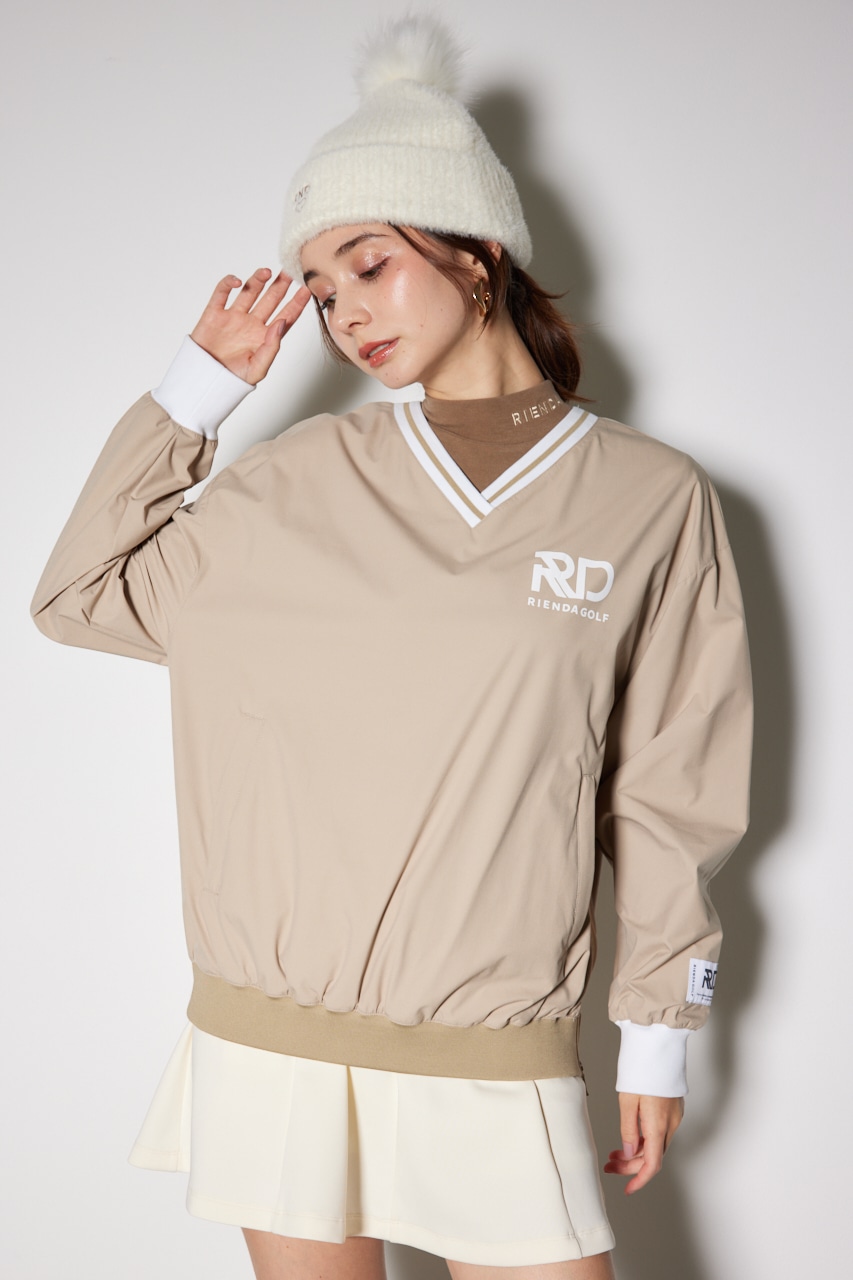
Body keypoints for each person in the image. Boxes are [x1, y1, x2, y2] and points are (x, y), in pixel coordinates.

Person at [30, 16, 752, 1280]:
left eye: (367, 263)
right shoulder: (289, 485)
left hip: (493, 1045)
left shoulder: (647, 498)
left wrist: (658, 1031)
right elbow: (79, 593)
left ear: (476, 252)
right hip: (273, 1038)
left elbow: (668, 791)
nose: (344, 312)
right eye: (319, 290)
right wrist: (195, 392)